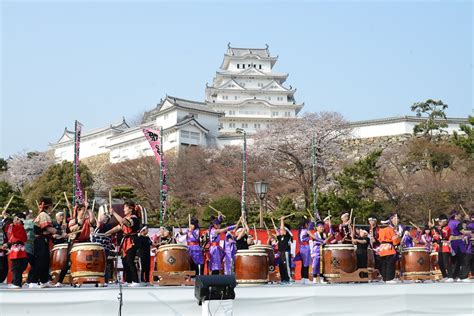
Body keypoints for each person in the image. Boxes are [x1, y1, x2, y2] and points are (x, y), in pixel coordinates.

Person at [106, 200, 141, 287]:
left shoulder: (134, 218)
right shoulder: (126, 218)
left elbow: (125, 223)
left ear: (131, 209)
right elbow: (118, 227)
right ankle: (128, 280)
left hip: (132, 240)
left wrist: (114, 213)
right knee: (125, 261)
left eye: (125, 207)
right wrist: (106, 233)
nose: (123, 209)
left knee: (130, 260)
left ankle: (136, 280)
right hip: (125, 241)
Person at [31, 196, 58, 288]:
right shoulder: (43, 215)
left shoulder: (44, 214)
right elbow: (47, 228)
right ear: (49, 206)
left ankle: (44, 280)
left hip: (43, 239)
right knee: (40, 261)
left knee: (45, 261)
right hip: (40, 240)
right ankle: (33, 281)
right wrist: (59, 232)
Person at [5, 212, 28, 288]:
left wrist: (5, 217)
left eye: (15, 219)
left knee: (16, 267)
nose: (14, 220)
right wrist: (7, 245)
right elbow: (11, 237)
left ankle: (16, 283)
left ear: (19, 220)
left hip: (17, 250)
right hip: (18, 249)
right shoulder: (20, 227)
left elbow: (7, 227)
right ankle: (17, 282)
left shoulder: (18, 227)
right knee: (17, 266)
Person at [448, 210, 471, 281]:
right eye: (459, 215)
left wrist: (465, 221)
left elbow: (461, 227)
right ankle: (463, 276)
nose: (460, 216)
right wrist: (471, 231)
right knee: (463, 259)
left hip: (452, 242)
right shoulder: (457, 223)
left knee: (455, 260)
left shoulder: (449, 222)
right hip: (458, 242)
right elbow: (463, 231)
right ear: (455, 216)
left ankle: (453, 276)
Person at [378, 218, 400, 283]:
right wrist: (397, 236)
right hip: (388, 247)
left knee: (384, 263)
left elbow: (379, 239)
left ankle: (384, 278)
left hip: (382, 248)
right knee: (390, 263)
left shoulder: (380, 230)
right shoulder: (390, 229)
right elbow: (395, 240)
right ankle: (389, 278)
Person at [431, 214, 453, 282]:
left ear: (445, 221)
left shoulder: (447, 228)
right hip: (440, 246)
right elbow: (436, 236)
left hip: (445, 245)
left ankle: (450, 276)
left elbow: (443, 236)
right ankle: (445, 276)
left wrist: (435, 228)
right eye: (439, 222)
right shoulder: (439, 228)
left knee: (446, 262)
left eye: (440, 221)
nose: (439, 223)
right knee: (440, 262)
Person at [275, 218, 292, 284]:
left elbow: (282, 228)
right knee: (281, 266)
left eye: (282, 230)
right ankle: (283, 279)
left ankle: (288, 278)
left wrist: (282, 220)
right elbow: (276, 235)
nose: (280, 231)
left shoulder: (288, 235)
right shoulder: (280, 237)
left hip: (285, 252)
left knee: (286, 266)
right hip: (280, 252)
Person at [22, 210, 36, 286]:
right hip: (26, 246)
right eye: (30, 214)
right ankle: (16, 280)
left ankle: (29, 280)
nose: (31, 215)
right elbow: (30, 224)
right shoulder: (24, 222)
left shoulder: (31, 222)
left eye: (31, 214)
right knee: (24, 265)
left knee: (34, 264)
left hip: (32, 246)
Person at [297, 218, 312, 284]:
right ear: (306, 224)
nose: (309, 225)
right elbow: (311, 230)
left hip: (302, 247)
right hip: (306, 247)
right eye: (308, 224)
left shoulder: (300, 230)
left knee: (303, 263)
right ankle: (306, 278)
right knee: (306, 263)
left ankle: (303, 278)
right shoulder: (306, 230)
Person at [0, 209, 9, 284]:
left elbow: (5, 227)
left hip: (2, 246)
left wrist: (5, 217)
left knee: (3, 265)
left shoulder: (3, 223)